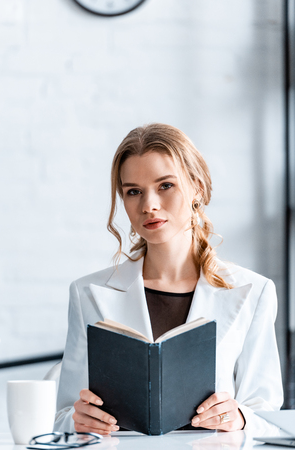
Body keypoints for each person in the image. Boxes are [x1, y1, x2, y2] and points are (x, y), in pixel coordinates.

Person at [54, 123, 283, 435]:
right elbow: (65, 413)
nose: (148, 205)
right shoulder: (87, 293)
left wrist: (240, 417)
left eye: (165, 186)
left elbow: (268, 414)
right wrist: (77, 419)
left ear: (197, 188)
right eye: (133, 191)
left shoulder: (253, 292)